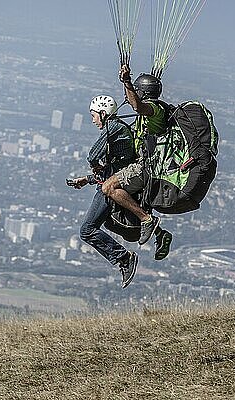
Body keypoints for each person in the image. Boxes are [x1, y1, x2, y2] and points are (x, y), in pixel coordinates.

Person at [101, 64, 173, 260]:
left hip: (145, 168)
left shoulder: (155, 110)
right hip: (141, 166)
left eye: (136, 91)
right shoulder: (144, 116)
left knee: (109, 188)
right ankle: (161, 234)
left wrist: (126, 82)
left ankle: (147, 220)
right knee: (119, 198)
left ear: (142, 92)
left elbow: (137, 106)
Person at [68, 95, 138, 288]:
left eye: (93, 115)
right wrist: (87, 179)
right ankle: (123, 258)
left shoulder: (112, 127)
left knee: (87, 230)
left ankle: (124, 258)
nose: (93, 120)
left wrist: (93, 164)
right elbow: (113, 166)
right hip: (111, 182)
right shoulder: (118, 127)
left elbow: (93, 155)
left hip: (110, 189)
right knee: (90, 229)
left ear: (102, 113)